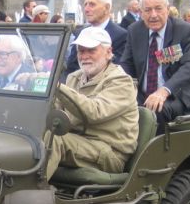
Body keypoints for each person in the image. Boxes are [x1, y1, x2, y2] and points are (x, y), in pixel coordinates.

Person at [46, 26, 138, 181]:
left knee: (53, 139)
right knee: (39, 133)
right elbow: (57, 110)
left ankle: (30, 193)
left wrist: (57, 87)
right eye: (81, 51)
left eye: (91, 50)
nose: (85, 56)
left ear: (108, 53)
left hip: (109, 152)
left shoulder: (121, 81)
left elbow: (94, 112)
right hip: (79, 141)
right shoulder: (74, 78)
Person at [120, 0, 190, 134]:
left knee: (155, 111)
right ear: (141, 12)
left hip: (178, 93)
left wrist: (164, 91)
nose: (153, 15)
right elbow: (126, 63)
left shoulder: (184, 30)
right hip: (144, 94)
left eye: (158, 9)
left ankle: (153, 155)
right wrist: (126, 86)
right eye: (148, 10)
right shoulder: (134, 30)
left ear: (168, 9)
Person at [65, 0, 127, 75]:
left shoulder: (121, 36)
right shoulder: (80, 33)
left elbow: (116, 69)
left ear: (107, 8)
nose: (86, 9)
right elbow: (71, 66)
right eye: (85, 4)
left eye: (92, 4)